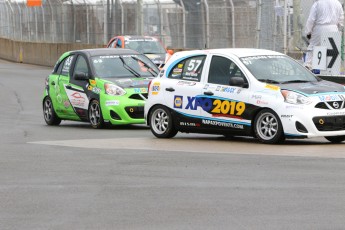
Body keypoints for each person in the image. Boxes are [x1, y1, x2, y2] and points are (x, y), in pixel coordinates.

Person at [304, 0, 344, 70]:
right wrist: (338, 29)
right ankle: (331, 70)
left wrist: (308, 32)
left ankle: (308, 66)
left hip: (320, 28)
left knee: (313, 47)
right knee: (331, 51)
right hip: (333, 28)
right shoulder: (338, 3)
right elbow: (341, 20)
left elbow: (311, 19)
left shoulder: (318, 3)